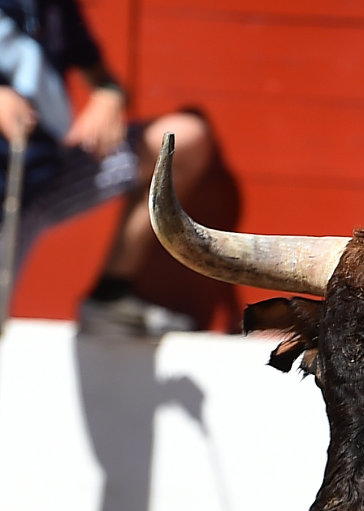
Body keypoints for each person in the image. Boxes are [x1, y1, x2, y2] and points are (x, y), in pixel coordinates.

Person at [0, 0, 213, 336]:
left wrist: (108, 97)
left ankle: (109, 296)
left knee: (179, 141)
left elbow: (103, 79)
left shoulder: (53, 9)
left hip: (40, 181)